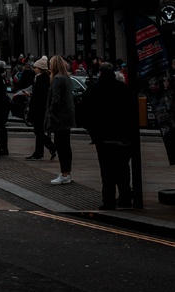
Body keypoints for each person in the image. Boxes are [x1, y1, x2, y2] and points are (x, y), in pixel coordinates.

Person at [81, 62, 133, 209]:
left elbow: (84, 114)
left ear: (100, 73)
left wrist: (93, 130)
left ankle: (108, 200)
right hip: (123, 137)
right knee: (123, 169)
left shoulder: (93, 91)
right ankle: (125, 197)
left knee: (107, 171)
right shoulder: (124, 89)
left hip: (103, 138)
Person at [46, 55, 75, 185]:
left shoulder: (57, 79)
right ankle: (66, 173)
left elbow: (55, 100)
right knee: (66, 146)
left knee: (61, 145)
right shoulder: (67, 78)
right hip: (67, 117)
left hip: (59, 118)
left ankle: (64, 174)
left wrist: (51, 113)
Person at [26, 56, 57, 161]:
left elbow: (39, 96)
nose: (34, 69)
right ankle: (38, 153)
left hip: (39, 109)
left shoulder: (41, 78)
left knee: (38, 131)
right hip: (40, 108)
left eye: (35, 67)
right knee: (39, 131)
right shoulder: (42, 78)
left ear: (40, 68)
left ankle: (52, 147)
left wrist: (31, 96)